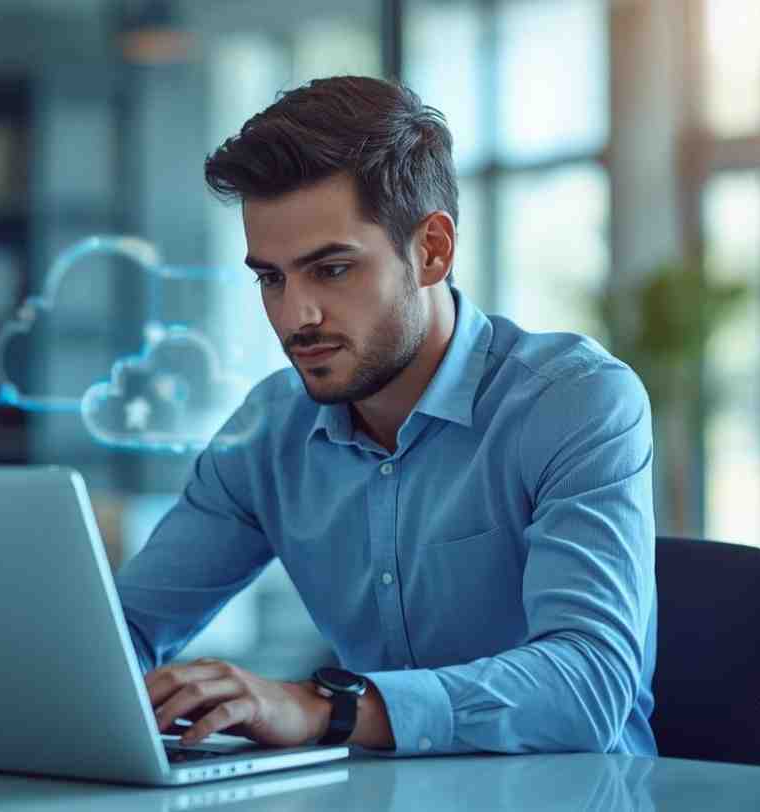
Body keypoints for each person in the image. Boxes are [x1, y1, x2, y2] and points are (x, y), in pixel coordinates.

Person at [115, 76, 657, 757]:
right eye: (271, 278)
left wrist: (323, 709)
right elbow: (122, 632)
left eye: (332, 270)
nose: (295, 317)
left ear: (432, 250)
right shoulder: (268, 432)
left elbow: (590, 684)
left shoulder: (574, 402)